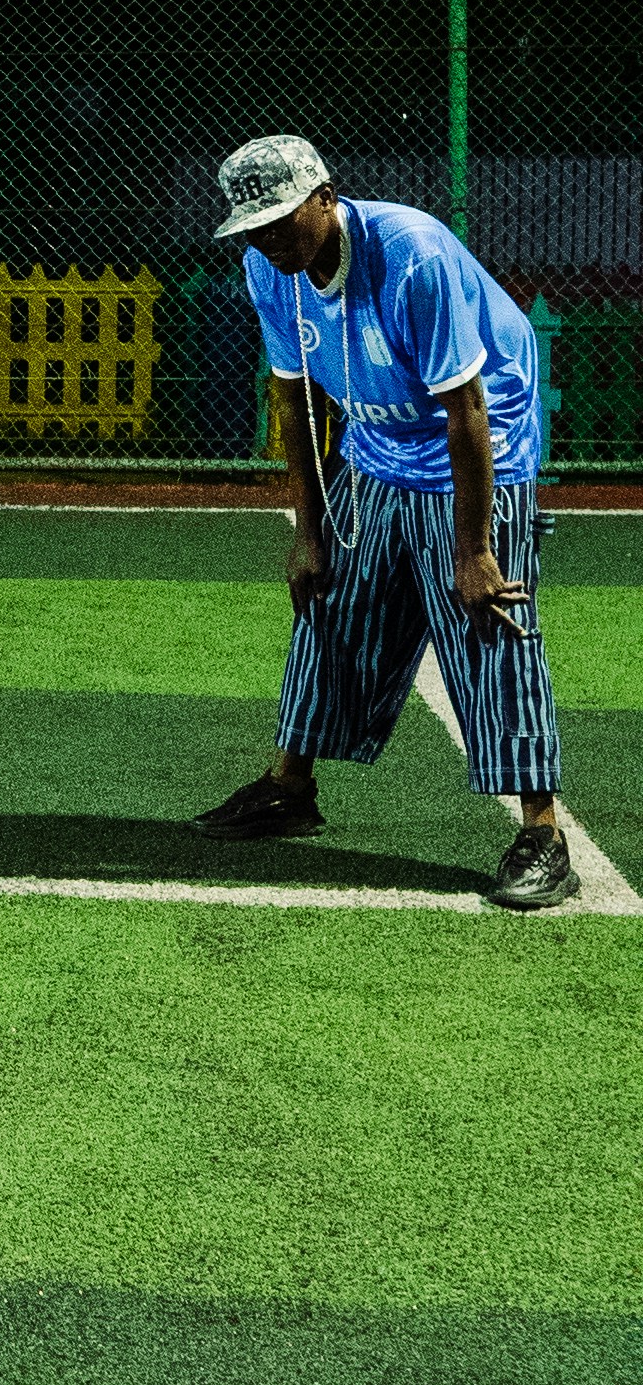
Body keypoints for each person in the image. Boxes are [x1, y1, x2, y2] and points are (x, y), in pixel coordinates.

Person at [190, 133, 576, 909]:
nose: (267, 240)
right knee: (331, 599)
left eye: (280, 220)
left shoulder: (413, 253)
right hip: (378, 443)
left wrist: (474, 549)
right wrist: (308, 530)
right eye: (253, 228)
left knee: (488, 617)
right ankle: (288, 787)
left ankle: (543, 833)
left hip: (474, 438)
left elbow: (465, 407)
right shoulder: (272, 269)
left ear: (326, 198)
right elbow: (293, 401)